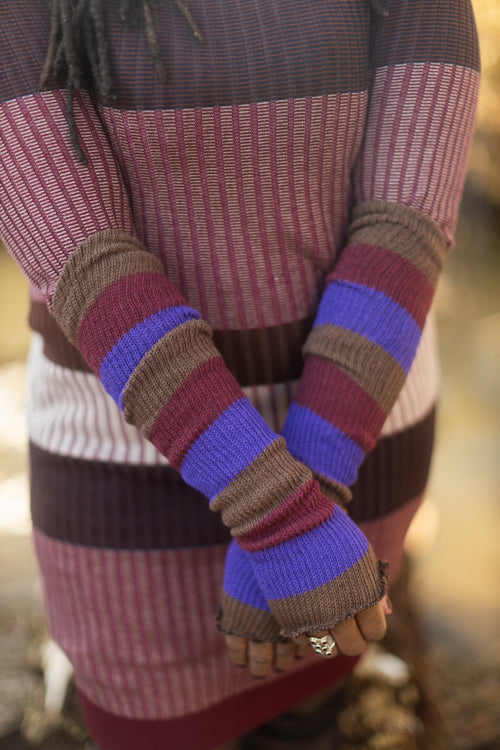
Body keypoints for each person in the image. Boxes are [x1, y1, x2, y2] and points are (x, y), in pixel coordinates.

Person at [0, 0, 479, 748]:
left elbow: (405, 221)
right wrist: (281, 517)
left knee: (314, 700)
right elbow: (89, 268)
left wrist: (309, 507)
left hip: (354, 458)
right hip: (128, 490)